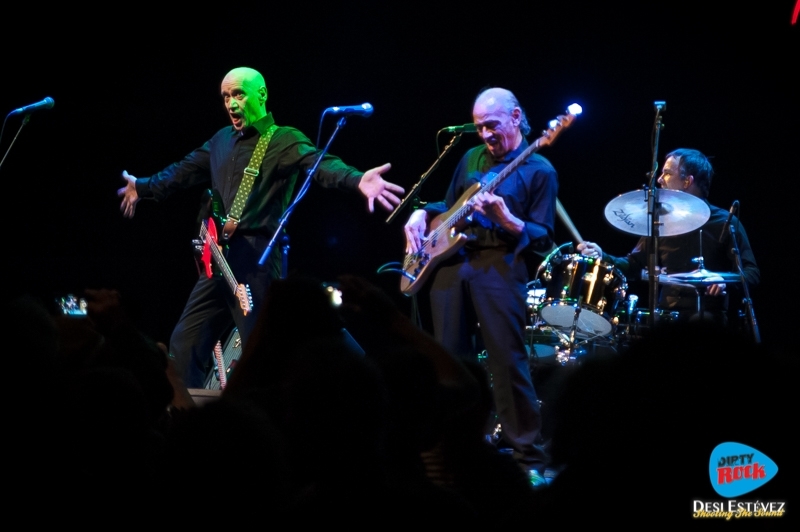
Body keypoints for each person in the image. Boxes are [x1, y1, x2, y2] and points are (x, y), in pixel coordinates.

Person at [117, 66, 404, 388]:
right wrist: (142, 187)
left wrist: (356, 180)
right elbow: (180, 172)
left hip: (257, 260)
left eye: (238, 93)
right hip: (219, 260)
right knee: (185, 341)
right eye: (226, 96)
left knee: (259, 348)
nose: (230, 103)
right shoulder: (220, 141)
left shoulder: (283, 139)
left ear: (261, 94)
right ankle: (189, 421)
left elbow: (321, 166)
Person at [404, 87, 557, 483]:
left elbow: (543, 236)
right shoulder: (471, 156)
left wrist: (508, 220)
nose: (486, 135)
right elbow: (449, 205)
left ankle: (528, 457)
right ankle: (459, 449)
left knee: (507, 361)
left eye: (492, 125)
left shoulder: (539, 170)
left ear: (516, 117)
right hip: (452, 263)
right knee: (450, 362)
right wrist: (422, 213)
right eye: (479, 128)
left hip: (501, 265)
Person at [578, 148, 759, 327]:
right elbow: (634, 265)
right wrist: (602, 257)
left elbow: (752, 273)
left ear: (687, 181)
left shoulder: (725, 222)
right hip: (665, 315)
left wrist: (723, 280)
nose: (659, 180)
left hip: (707, 318)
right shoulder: (660, 221)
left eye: (666, 173)